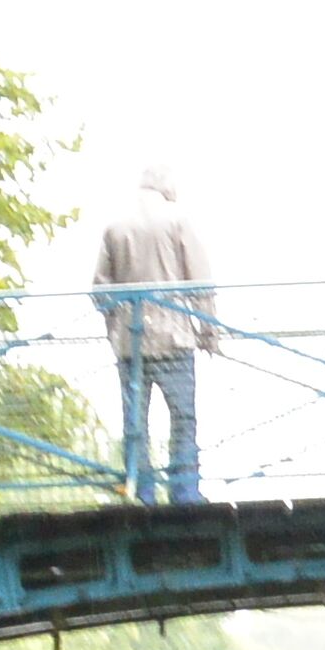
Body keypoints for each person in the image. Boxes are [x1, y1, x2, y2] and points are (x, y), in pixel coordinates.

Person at [94, 166, 215, 505]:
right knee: (183, 417)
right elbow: (200, 282)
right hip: (174, 338)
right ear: (167, 187)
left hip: (130, 344)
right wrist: (209, 332)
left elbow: (100, 290)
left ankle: (141, 491)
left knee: (135, 423)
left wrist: (115, 330)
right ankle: (184, 490)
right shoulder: (178, 220)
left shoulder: (115, 226)